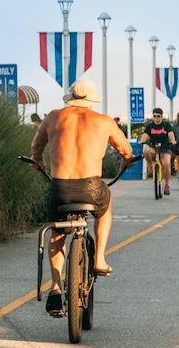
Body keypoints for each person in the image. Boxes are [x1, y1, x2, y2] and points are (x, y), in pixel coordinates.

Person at [30, 79, 134, 317]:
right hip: (90, 186)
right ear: (92, 100)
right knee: (105, 206)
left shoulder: (54, 117)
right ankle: (99, 258)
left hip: (60, 187)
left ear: (71, 97)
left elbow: (36, 147)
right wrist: (125, 162)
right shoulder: (104, 121)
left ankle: (56, 288)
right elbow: (126, 151)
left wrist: (39, 161)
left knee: (57, 233)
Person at [138, 108, 177, 195]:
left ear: (162, 116)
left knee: (166, 164)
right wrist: (142, 141)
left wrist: (173, 141)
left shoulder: (166, 125)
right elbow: (145, 135)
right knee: (146, 151)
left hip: (165, 147)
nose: (157, 118)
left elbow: (170, 134)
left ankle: (166, 185)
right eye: (155, 116)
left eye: (158, 116)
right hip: (154, 147)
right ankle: (151, 166)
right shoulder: (150, 126)